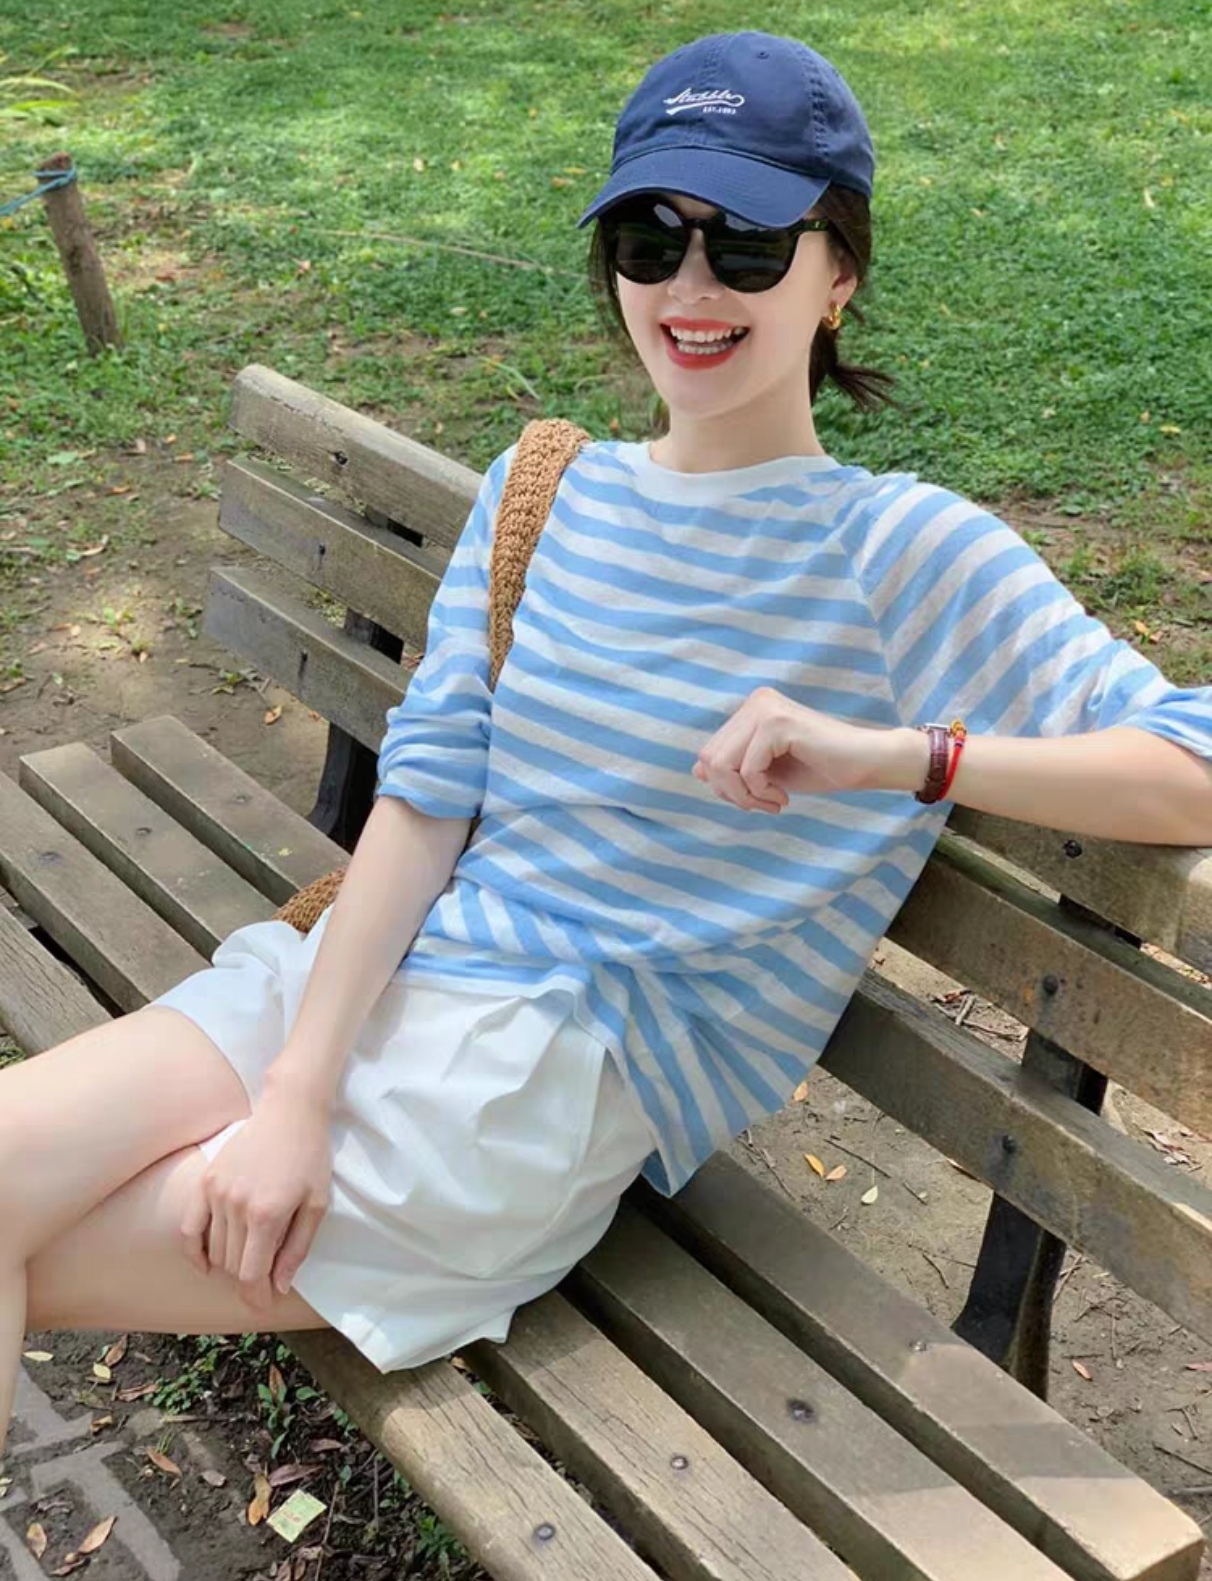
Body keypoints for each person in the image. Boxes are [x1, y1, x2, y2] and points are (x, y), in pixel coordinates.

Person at [3, 31, 1211, 1448]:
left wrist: (901, 757)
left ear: (839, 275)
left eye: (747, 244)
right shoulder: (546, 487)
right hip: (357, 987)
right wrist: (295, 1094)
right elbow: (425, 801)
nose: (691, 287)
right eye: (651, 238)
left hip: (522, 1095)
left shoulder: (904, 554)